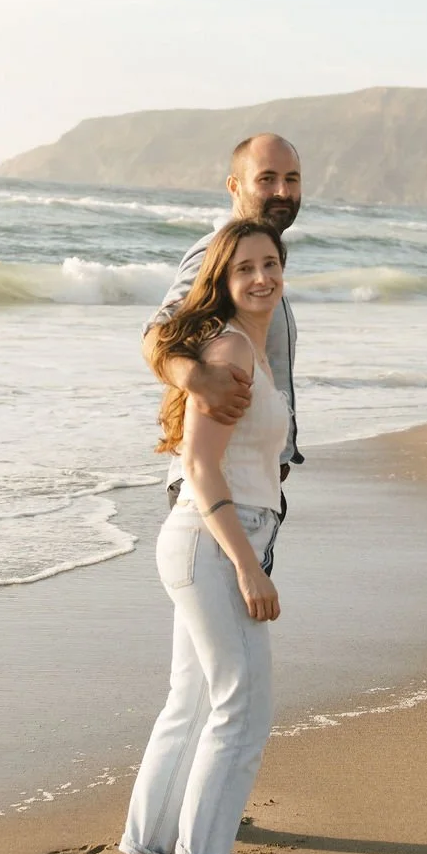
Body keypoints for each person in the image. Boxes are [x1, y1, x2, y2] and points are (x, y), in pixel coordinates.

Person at [117, 218, 291, 854]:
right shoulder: (231, 349)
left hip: (208, 538)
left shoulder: (251, 346)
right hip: (215, 540)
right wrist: (249, 566)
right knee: (243, 705)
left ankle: (148, 853)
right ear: (220, 278)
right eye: (244, 267)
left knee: (191, 701)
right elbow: (198, 462)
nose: (261, 277)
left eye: (270, 263)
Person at [141, 134, 303, 574]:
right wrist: (197, 380)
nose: (282, 191)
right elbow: (156, 334)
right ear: (235, 186)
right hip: (217, 493)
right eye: (267, 179)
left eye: (291, 179)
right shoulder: (218, 253)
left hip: (251, 490)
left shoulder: (262, 259)